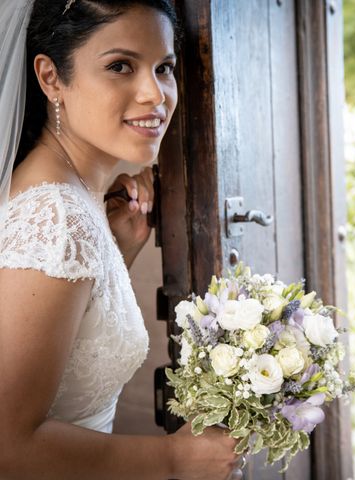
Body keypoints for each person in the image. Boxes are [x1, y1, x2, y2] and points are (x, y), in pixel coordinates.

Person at [0, 1, 242, 479]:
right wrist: (175, 459)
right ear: (51, 78)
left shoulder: (72, 203)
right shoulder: (57, 218)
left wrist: (118, 252)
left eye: (164, 68)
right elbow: (7, 446)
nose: (155, 94)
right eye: (119, 66)